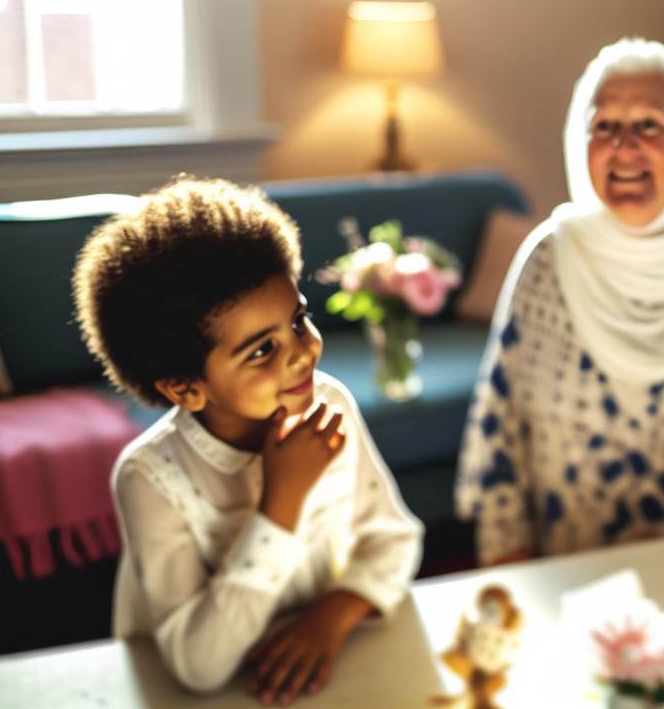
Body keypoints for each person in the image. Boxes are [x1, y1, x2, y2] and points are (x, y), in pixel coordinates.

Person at [74, 178, 423, 705]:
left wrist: (331, 618)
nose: (302, 354)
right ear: (186, 388)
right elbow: (198, 666)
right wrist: (281, 502)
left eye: (298, 320)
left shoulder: (331, 407)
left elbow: (394, 539)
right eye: (262, 350)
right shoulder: (149, 477)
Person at [456, 38, 664, 565]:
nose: (624, 147)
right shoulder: (549, 255)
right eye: (604, 126)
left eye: (650, 125)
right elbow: (500, 423)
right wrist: (511, 564)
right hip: (558, 568)